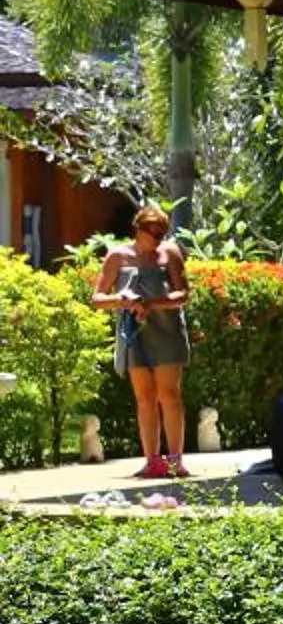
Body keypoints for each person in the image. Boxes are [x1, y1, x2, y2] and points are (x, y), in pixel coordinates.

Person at [94, 205, 193, 479]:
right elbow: (98, 298)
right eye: (154, 233)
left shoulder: (170, 253)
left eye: (163, 232)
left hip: (167, 330)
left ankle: (175, 461)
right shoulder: (117, 256)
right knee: (145, 397)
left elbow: (183, 293)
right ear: (138, 230)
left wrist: (152, 303)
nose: (159, 238)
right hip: (134, 332)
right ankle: (152, 461)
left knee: (170, 395)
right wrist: (122, 301)